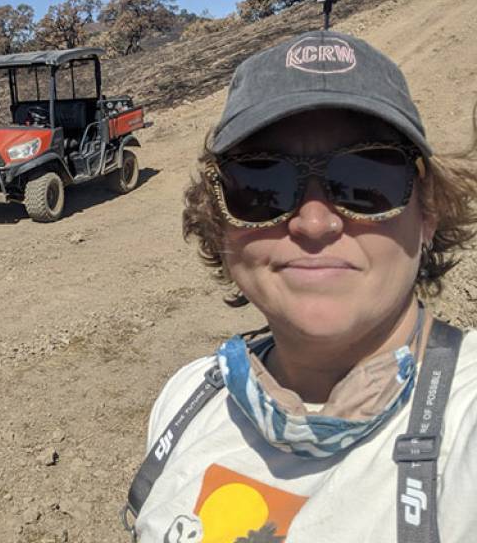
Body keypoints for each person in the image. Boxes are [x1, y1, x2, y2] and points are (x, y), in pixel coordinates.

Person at [122, 29, 477, 543]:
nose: (314, 224)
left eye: (366, 178)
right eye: (261, 184)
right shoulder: (187, 398)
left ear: (428, 213)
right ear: (220, 222)